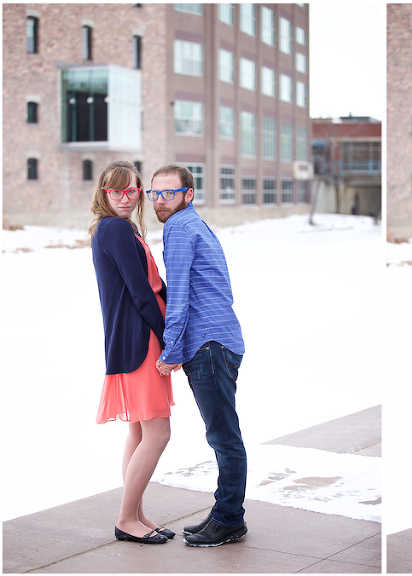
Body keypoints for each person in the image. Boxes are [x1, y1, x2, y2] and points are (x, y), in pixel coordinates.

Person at [148, 164, 248, 548]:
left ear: (188, 194)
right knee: (223, 434)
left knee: (224, 437)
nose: (160, 200)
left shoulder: (177, 228)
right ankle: (225, 513)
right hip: (221, 341)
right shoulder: (196, 225)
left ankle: (229, 520)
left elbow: (180, 297)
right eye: (154, 193)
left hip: (208, 345)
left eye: (168, 193)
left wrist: (170, 350)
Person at [90, 160, 174, 545]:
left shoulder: (121, 229)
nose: (125, 197)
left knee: (140, 432)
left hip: (132, 340)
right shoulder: (114, 229)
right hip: (141, 342)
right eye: (116, 191)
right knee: (157, 433)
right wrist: (168, 338)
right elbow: (141, 292)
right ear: (104, 194)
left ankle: (136, 513)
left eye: (132, 190)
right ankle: (126, 519)